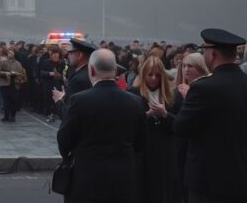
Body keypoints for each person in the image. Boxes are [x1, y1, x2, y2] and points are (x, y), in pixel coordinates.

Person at [57, 49, 146, 203]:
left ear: (91, 69)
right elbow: (141, 142)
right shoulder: (135, 101)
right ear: (115, 69)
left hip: (87, 179)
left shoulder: (79, 100)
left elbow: (64, 139)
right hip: (123, 180)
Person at [174, 28, 247, 203]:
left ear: (212, 54)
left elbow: (181, 127)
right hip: (241, 177)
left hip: (208, 180)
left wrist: (186, 101)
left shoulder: (202, 88)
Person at [128, 56, 181, 203]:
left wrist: (165, 115)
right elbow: (128, 125)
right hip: (143, 152)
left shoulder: (171, 96)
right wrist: (147, 115)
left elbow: (180, 125)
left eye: (157, 75)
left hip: (165, 153)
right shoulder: (133, 93)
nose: (153, 78)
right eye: (150, 74)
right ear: (143, 74)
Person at [52, 38, 97, 122]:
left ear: (79, 55)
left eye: (71, 53)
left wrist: (59, 99)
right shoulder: (88, 72)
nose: (68, 55)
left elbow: (71, 113)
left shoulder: (79, 79)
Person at [0, 49, 27, 122]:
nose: (9, 55)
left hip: (14, 84)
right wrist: (5, 73)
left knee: (13, 101)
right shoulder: (3, 62)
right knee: (5, 101)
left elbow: (22, 74)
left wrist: (15, 73)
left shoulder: (18, 63)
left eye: (11, 54)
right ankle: (6, 116)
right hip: (5, 83)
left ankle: (12, 116)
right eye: (8, 54)